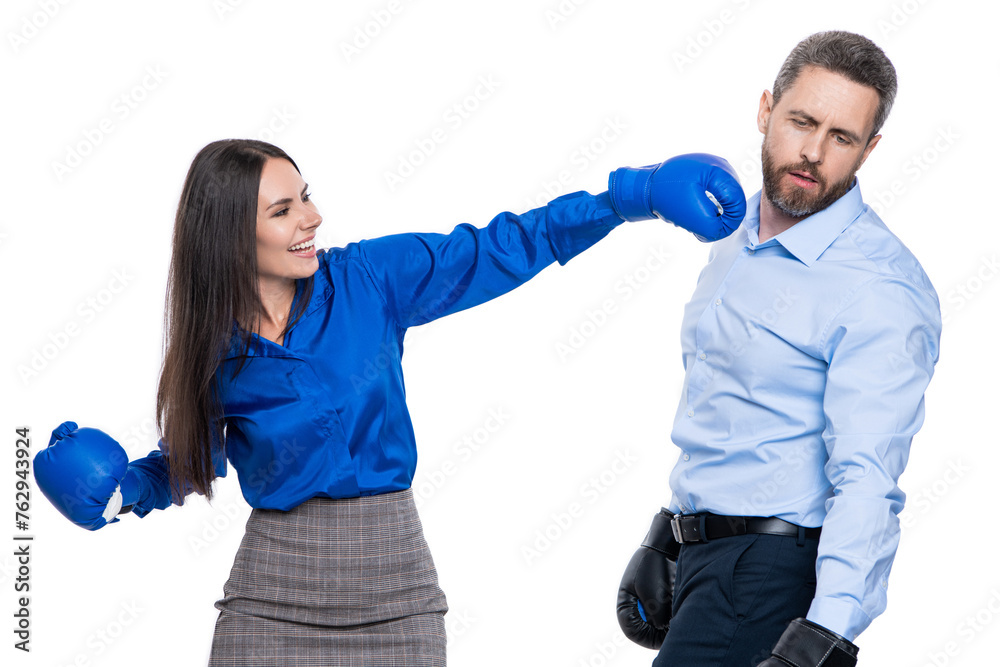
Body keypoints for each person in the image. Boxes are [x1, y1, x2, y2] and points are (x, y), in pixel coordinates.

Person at [33, 139, 745, 666]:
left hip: (391, 583)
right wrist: (125, 489)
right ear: (229, 235)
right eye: (284, 210)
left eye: (306, 194)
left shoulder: (369, 279)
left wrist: (629, 196)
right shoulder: (213, 349)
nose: (313, 217)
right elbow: (190, 462)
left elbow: (503, 246)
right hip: (271, 591)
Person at [615, 30, 941, 667]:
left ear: (869, 150)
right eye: (801, 121)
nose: (813, 152)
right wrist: (670, 533)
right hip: (704, 558)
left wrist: (826, 636)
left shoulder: (880, 288)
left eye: (842, 138)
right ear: (767, 110)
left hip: (768, 577)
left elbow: (869, 479)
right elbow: (735, 406)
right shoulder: (736, 231)